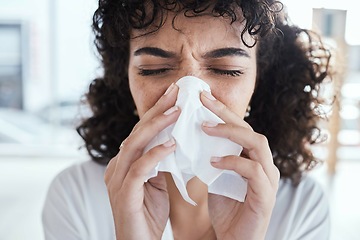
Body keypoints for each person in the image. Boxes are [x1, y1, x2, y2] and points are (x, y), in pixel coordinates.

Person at [42, 0, 333, 239]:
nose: (188, 95)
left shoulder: (301, 207)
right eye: (154, 68)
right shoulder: (75, 196)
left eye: (226, 69)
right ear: (125, 80)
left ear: (258, 85)